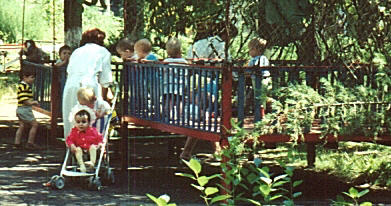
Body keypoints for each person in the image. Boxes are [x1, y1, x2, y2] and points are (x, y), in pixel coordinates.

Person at [180, 23, 238, 161]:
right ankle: (187, 152)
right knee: (205, 117)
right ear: (227, 35)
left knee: (204, 117)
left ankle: (214, 150)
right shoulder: (220, 46)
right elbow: (227, 63)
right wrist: (236, 77)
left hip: (193, 80)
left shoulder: (199, 43)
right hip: (207, 82)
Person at [62, 28, 113, 139]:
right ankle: (92, 145)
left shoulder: (77, 51)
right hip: (89, 86)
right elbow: (105, 80)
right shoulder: (103, 52)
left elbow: (69, 70)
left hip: (70, 86)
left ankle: (72, 147)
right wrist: (104, 98)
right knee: (90, 118)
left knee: (72, 118)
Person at [14, 67, 40, 150]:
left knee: (21, 125)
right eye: (31, 77)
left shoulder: (22, 86)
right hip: (24, 109)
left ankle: (17, 142)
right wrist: (33, 102)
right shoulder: (24, 87)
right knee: (35, 124)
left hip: (20, 109)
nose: (33, 79)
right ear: (25, 77)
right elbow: (24, 100)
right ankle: (30, 143)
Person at [162, 37, 188, 120]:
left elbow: (161, 71)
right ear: (180, 50)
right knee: (179, 101)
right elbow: (186, 73)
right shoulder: (184, 62)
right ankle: (178, 116)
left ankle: (167, 116)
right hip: (179, 86)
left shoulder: (166, 61)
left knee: (168, 101)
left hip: (167, 85)